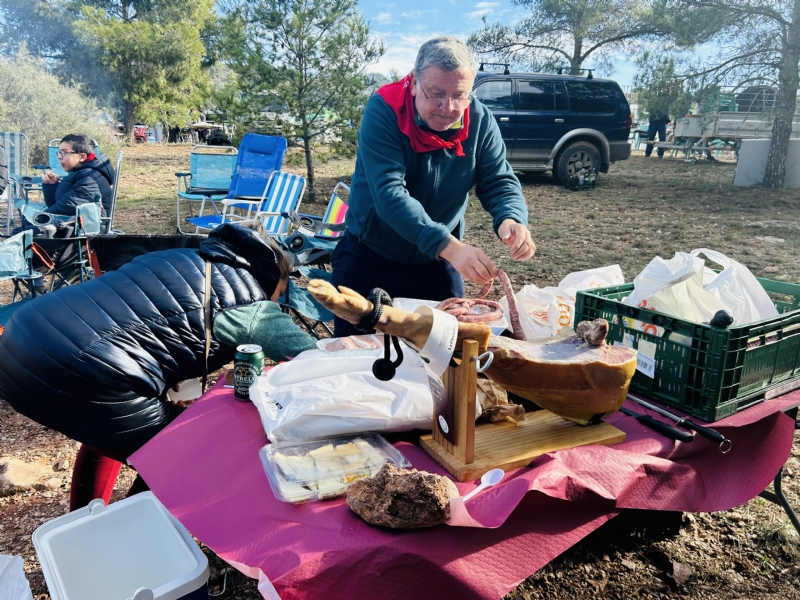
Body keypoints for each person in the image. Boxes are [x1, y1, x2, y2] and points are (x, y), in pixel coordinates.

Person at [0, 224, 317, 510]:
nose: (277, 301)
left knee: (102, 430)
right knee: (178, 458)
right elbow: (315, 356)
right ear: (273, 276)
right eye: (280, 293)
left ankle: (83, 518)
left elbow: (133, 315)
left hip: (20, 342)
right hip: (90, 371)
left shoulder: (176, 256)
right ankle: (128, 534)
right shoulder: (250, 305)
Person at [331, 36, 535, 336]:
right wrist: (450, 247)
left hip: (436, 262)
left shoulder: (480, 121)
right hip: (370, 256)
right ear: (414, 83)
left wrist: (511, 216)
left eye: (460, 95)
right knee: (358, 355)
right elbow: (389, 193)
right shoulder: (385, 111)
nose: (447, 107)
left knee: (444, 353)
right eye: (436, 93)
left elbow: (498, 179)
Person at [41, 133, 116, 219]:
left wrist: (38, 218)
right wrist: (51, 185)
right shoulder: (80, 174)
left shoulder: (89, 178)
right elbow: (55, 205)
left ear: (82, 157)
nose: (59, 156)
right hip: (70, 223)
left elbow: (68, 207)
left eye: (64, 152)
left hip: (84, 226)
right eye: (59, 152)